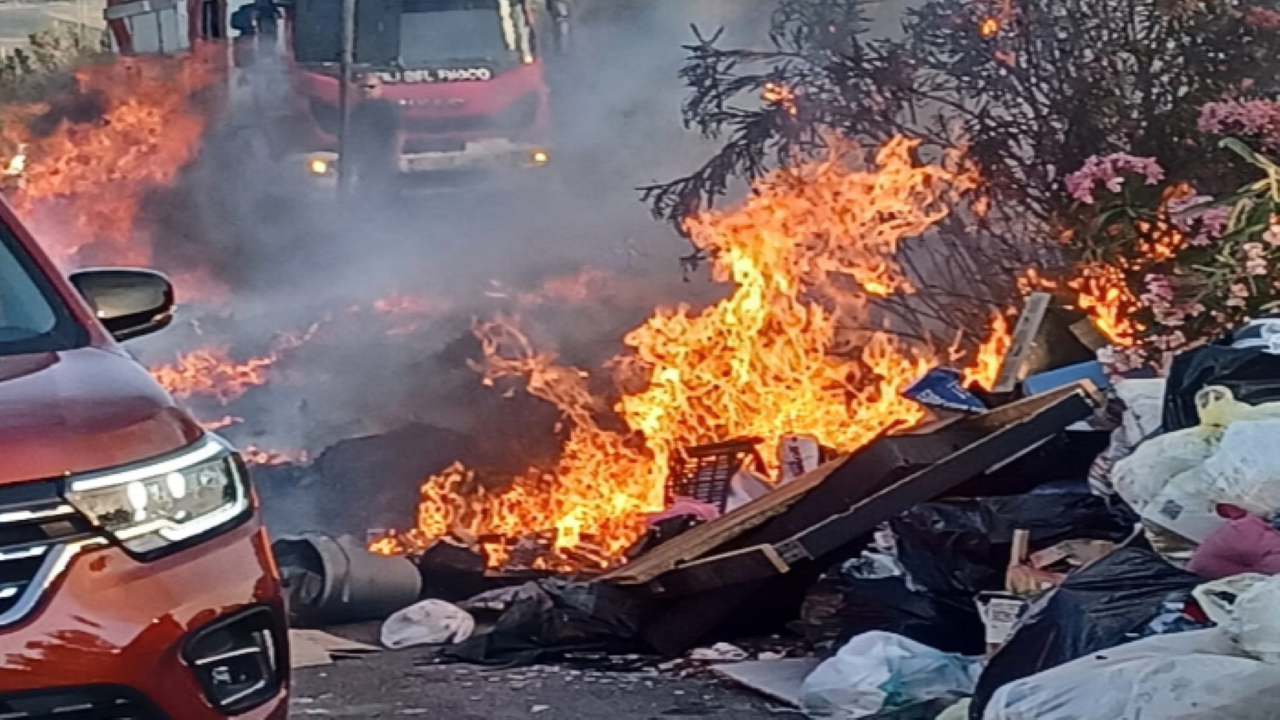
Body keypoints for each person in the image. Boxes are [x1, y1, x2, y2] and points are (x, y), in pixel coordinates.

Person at [345, 75, 404, 195]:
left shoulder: (387, 108)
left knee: (385, 192)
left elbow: (398, 133)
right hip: (364, 161)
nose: (366, 90)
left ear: (380, 89)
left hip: (382, 159)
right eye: (362, 87)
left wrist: (394, 158)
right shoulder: (356, 110)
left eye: (371, 87)